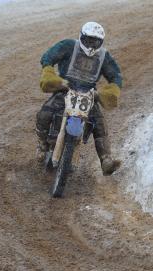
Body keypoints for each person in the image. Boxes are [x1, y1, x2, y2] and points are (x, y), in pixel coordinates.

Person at [36, 22, 122, 176]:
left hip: (89, 94)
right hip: (65, 88)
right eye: (88, 40)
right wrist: (50, 74)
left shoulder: (103, 56)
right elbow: (47, 57)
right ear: (82, 37)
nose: (91, 44)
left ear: (101, 42)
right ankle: (42, 144)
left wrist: (110, 90)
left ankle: (106, 160)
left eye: (95, 41)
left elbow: (116, 76)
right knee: (46, 111)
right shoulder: (69, 46)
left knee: (99, 123)